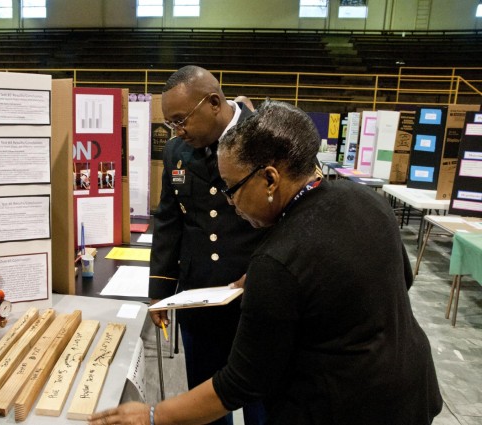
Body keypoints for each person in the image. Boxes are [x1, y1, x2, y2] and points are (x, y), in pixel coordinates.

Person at [89, 101, 443, 425]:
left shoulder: (279, 259)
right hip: (409, 388)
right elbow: (399, 281)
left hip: (342, 406)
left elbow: (238, 384)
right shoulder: (365, 200)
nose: (229, 202)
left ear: (270, 178)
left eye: (232, 188)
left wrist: (153, 414)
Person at [148, 66, 268, 425]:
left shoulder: (265, 136)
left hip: (256, 293)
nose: (177, 131)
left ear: (214, 103)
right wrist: (160, 291)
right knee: (204, 395)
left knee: (263, 396)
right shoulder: (176, 152)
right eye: (171, 124)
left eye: (181, 120)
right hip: (198, 295)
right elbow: (169, 221)